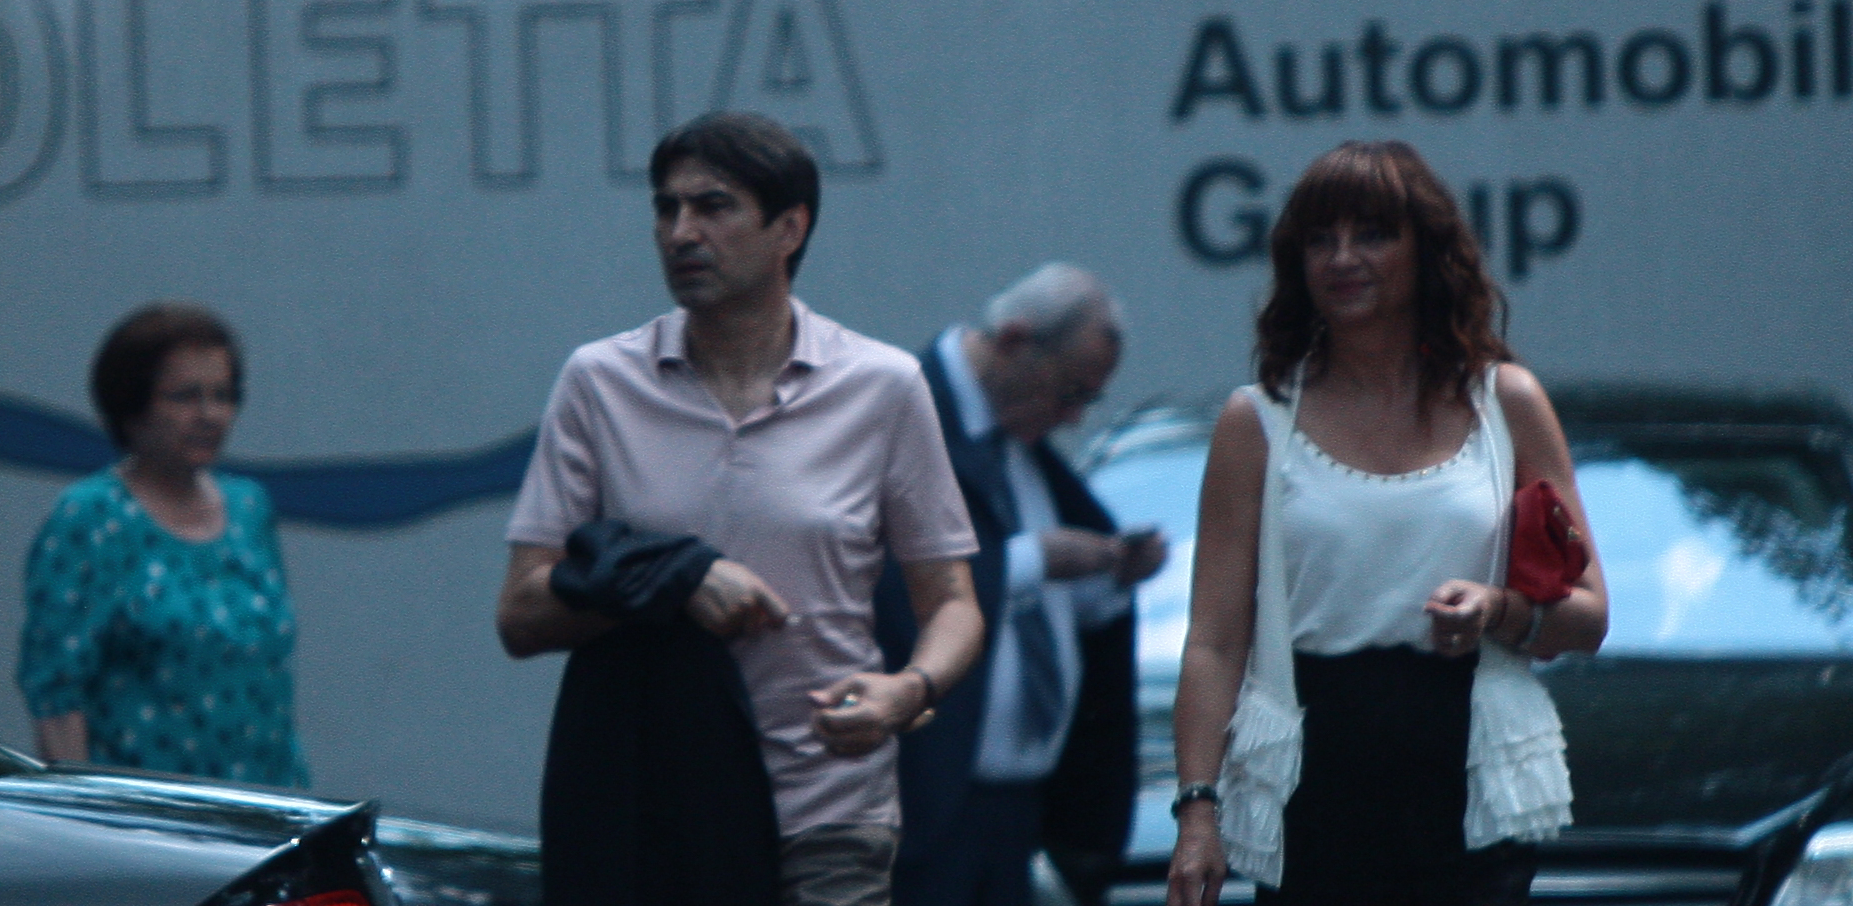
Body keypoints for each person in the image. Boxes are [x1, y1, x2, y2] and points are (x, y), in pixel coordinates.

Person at [496, 111, 986, 906]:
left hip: (827, 809)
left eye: (712, 206)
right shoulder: (599, 381)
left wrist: (910, 690)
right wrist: (674, 579)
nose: (680, 232)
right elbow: (521, 614)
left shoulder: (883, 385)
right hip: (658, 809)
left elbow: (953, 603)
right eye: (666, 208)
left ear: (789, 228)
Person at [1165, 141, 1609, 906]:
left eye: (1371, 234)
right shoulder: (1257, 422)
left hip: (1470, 781)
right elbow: (1213, 642)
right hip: (1314, 785)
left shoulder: (1504, 403)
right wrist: (1196, 812)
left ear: (1425, 251)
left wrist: (1496, 610)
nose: (1342, 258)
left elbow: (1589, 617)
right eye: (1319, 239)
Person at [874, 263, 1168, 906]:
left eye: (1088, 400)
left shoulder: (1019, 443)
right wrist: (1035, 559)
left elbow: (1054, 617)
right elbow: (890, 586)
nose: (1072, 417)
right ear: (1013, 341)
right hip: (926, 802)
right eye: (1069, 391)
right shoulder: (900, 411)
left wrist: (1110, 575)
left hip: (1022, 812)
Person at [17, 302, 309, 788]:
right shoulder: (91, 517)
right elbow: (56, 695)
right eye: (185, 396)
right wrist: (86, 814)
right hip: (147, 817)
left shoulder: (249, 507)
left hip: (265, 804)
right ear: (132, 407)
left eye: (223, 396)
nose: (209, 415)